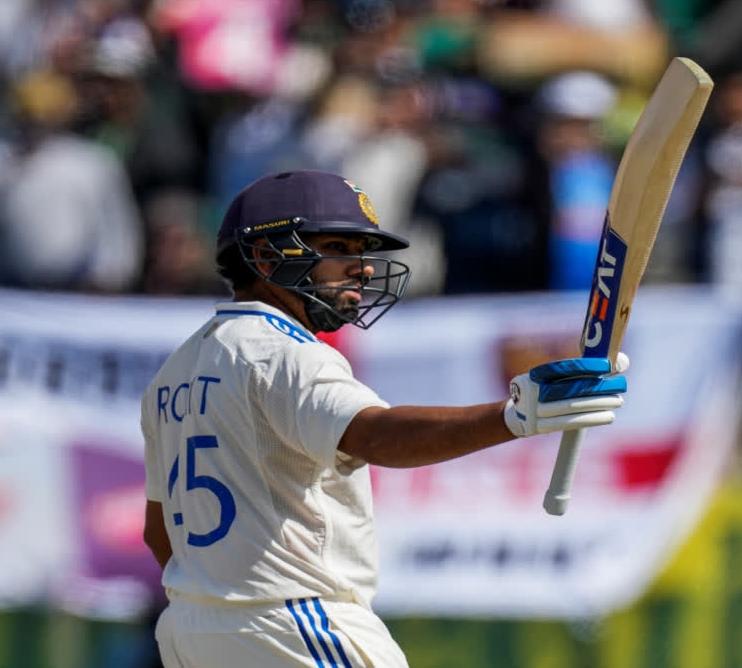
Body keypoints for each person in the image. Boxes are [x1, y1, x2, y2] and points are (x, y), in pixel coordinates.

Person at [140, 169, 628, 667]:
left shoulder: (174, 372)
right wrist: (513, 416)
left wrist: (223, 597)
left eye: (363, 251)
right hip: (293, 623)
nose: (366, 269)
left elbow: (160, 536)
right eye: (339, 247)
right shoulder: (283, 352)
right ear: (266, 257)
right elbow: (373, 433)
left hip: (193, 629)